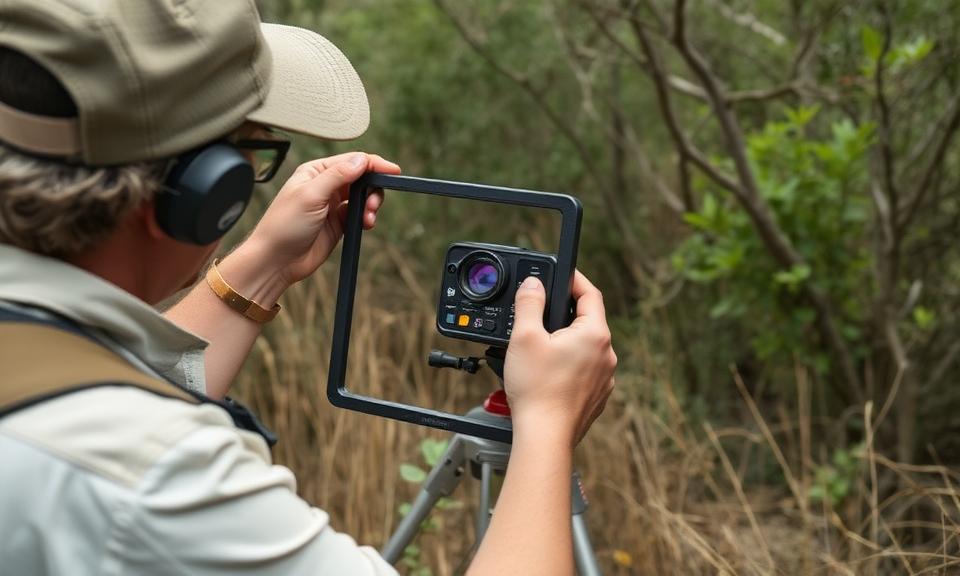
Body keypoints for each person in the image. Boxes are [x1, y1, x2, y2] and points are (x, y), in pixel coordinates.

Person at [0, 1, 617, 574]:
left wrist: (263, 266)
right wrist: (546, 423)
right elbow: (122, 437)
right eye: (253, 149)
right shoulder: (162, 477)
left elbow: (85, 379)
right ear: (202, 192)